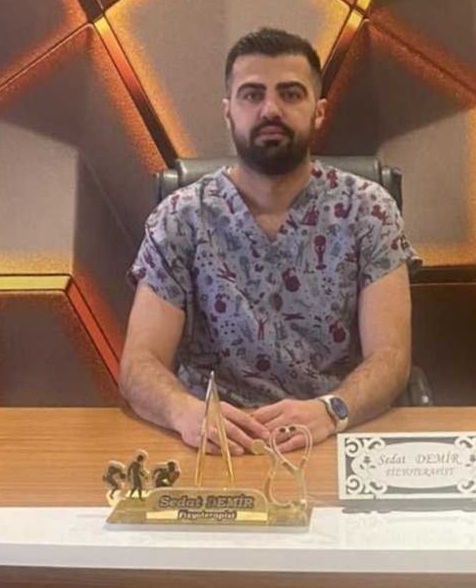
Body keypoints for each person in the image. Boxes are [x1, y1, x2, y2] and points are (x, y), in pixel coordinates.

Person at [120, 28, 417, 456]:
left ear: (319, 111)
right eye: (252, 95)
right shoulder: (182, 216)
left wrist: (333, 410)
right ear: (228, 112)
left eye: (291, 94)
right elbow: (139, 363)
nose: (270, 109)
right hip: (211, 447)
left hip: (330, 438)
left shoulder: (368, 209)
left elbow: (391, 356)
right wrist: (183, 411)